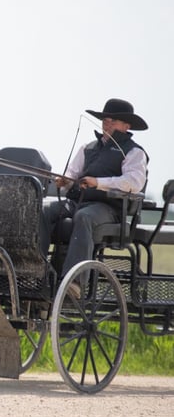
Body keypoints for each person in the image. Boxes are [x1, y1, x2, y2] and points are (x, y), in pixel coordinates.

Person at [40, 98, 149, 288]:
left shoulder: (134, 152)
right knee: (43, 210)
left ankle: (74, 283)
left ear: (126, 125)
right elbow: (72, 173)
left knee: (84, 217)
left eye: (112, 121)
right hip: (77, 201)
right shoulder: (88, 148)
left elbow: (134, 182)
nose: (107, 123)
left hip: (108, 208)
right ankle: (35, 267)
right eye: (105, 120)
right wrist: (64, 181)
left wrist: (98, 183)